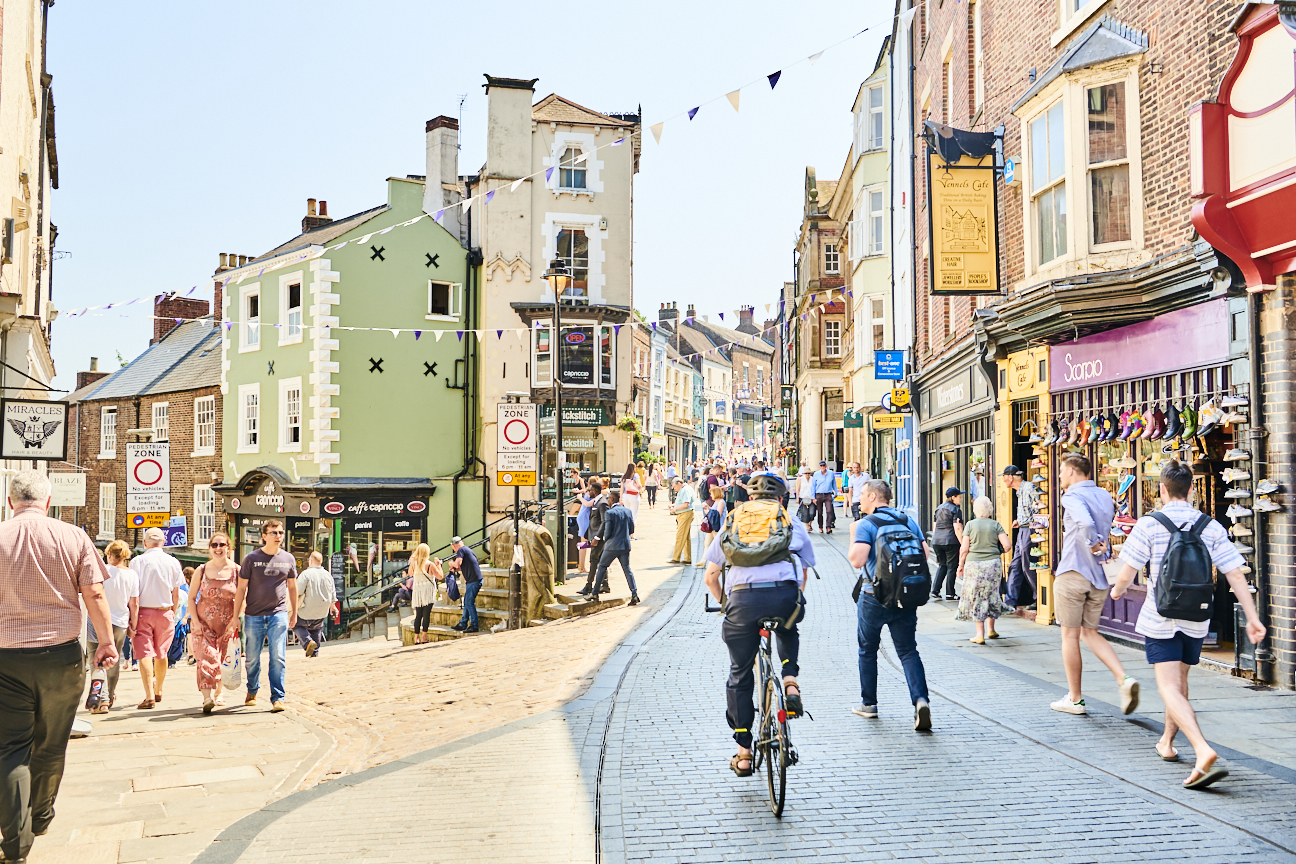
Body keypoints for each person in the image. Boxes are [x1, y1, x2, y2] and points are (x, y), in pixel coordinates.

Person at [1109, 460, 1265, 790]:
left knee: (1167, 687)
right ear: (1192, 489)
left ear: (1162, 490)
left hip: (1160, 617)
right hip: (1197, 618)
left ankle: (1202, 749)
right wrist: (1252, 618)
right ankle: (1166, 741)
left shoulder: (1150, 524)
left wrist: (1117, 591)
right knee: (1180, 682)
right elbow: (1235, 574)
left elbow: (1126, 575)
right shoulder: (1210, 526)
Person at [0, 471, 116, 864]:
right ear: (48, 501)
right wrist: (107, 642)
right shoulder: (72, 536)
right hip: (61, 656)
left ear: (10, 499)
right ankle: (42, 814)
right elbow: (95, 592)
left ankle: (15, 844)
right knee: (51, 743)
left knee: (11, 748)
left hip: (6, 659)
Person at [702, 474, 813, 777]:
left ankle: (744, 752)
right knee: (789, 627)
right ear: (781, 500)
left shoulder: (733, 520)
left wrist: (729, 605)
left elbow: (710, 577)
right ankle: (790, 680)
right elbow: (802, 574)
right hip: (783, 596)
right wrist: (793, 598)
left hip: (742, 602)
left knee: (739, 674)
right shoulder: (790, 521)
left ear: (750, 499)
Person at [1051, 452, 1139, 717]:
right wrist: (1102, 546)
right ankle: (1123, 679)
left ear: (1072, 472)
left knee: (1069, 635)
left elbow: (1087, 523)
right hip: (1100, 577)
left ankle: (1075, 699)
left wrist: (1092, 543)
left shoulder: (1071, 497)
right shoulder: (1103, 494)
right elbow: (1107, 526)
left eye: (1062, 470)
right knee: (1089, 633)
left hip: (1074, 571)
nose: (1059, 475)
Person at [849, 479, 933, 731]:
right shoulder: (908, 521)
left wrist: (854, 534)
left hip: (873, 596)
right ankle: (920, 701)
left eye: (862, 495)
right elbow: (925, 555)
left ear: (874, 497)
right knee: (908, 651)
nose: (859, 499)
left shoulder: (866, 524)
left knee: (867, 649)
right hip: (905, 595)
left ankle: (869, 704)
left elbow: (856, 560)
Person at [234, 519, 299, 712]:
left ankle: (278, 698)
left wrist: (294, 612)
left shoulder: (288, 559)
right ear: (264, 536)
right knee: (252, 658)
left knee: (278, 656)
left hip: (278, 614)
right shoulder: (251, 559)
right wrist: (236, 616)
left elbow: (292, 587)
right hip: (253, 615)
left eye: (280, 532)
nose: (278, 536)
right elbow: (241, 589)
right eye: (274, 533)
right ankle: (252, 689)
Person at [130, 526, 186, 709]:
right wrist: (173, 612)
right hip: (165, 611)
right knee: (161, 653)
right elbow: (176, 592)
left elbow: (134, 594)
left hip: (143, 611)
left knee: (144, 654)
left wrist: (132, 616)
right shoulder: (173, 562)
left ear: (145, 543)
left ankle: (149, 696)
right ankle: (159, 689)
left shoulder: (137, 561)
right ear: (163, 543)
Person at [189, 531, 240, 714]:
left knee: (223, 660)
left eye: (222, 545)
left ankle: (219, 693)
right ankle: (206, 698)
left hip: (227, 624)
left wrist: (236, 619)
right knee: (206, 659)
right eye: (214, 545)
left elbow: (243, 598)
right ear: (210, 549)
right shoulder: (201, 571)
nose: (218, 548)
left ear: (229, 547)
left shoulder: (237, 571)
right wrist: (195, 621)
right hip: (204, 624)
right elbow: (191, 598)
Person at [86, 540, 138, 713]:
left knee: (96, 660)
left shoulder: (102, 570)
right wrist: (133, 626)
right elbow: (134, 603)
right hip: (121, 622)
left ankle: (101, 699)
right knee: (113, 661)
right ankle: (109, 696)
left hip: (97, 621)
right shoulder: (132, 575)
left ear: (108, 554)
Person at [955, 497, 1014, 644]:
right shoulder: (995, 525)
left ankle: (979, 635)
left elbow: (964, 549)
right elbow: (1007, 545)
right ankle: (991, 630)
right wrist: (995, 551)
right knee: (992, 594)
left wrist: (960, 565)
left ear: (975, 510)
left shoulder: (970, 525)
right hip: (993, 564)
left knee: (977, 596)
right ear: (990, 509)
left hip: (974, 564)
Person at [1001, 465, 1040, 610]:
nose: (1004, 480)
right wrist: (1020, 520)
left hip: (1030, 530)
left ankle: (1039, 598)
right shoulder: (1019, 492)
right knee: (1015, 565)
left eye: (1004, 476)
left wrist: (1029, 523)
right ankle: (1010, 601)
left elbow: (1039, 508)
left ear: (1010, 477)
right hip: (1023, 530)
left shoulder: (1029, 488)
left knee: (1027, 564)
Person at [592, 491, 639, 605]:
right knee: (627, 569)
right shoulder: (627, 511)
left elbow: (607, 531)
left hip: (612, 545)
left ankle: (594, 593)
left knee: (602, 566)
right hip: (625, 544)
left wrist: (607, 540)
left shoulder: (610, 513)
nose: (607, 500)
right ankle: (634, 594)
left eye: (608, 499)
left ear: (612, 499)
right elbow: (631, 529)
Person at [295, 550, 341, 652]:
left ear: (310, 561)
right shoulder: (328, 575)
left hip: (306, 611)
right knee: (316, 628)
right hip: (322, 612)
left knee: (296, 624)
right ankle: (314, 651)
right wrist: (333, 607)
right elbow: (333, 592)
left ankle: (308, 643)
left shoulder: (306, 574)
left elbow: (298, 591)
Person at [931, 488, 965, 601]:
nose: (961, 499)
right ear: (953, 497)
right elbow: (958, 528)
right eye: (959, 496)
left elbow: (934, 527)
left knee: (942, 565)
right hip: (950, 541)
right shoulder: (956, 509)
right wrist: (963, 543)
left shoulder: (938, 508)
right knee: (951, 567)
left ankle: (935, 590)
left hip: (937, 541)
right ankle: (950, 593)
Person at [578, 480, 609, 596]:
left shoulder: (602, 503)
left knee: (593, 561)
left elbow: (604, 521)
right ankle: (605, 585)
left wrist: (597, 537)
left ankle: (589, 585)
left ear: (595, 491)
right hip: (593, 536)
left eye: (590, 490)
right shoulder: (596, 502)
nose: (588, 492)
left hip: (598, 538)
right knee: (601, 561)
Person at [405, 545, 439, 644]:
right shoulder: (430, 564)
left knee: (418, 615)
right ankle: (424, 637)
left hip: (417, 591)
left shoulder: (414, 563)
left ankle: (416, 638)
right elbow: (440, 576)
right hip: (428, 591)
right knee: (426, 614)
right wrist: (438, 565)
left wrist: (412, 561)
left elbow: (410, 574)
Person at [449, 537, 483, 633]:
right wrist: (455, 569)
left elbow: (457, 563)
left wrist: (451, 563)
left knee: (469, 603)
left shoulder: (461, 549)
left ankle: (474, 625)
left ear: (454, 546)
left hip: (474, 581)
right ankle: (463, 623)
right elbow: (462, 566)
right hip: (474, 580)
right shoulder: (466, 550)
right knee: (467, 602)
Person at [669, 478, 695, 564]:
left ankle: (676, 557)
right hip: (685, 513)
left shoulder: (684, 490)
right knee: (685, 536)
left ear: (679, 483)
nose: (674, 488)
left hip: (685, 514)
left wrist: (675, 509)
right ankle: (687, 558)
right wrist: (674, 505)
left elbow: (686, 504)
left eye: (675, 486)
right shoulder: (685, 489)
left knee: (680, 535)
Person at [811, 460, 837, 534]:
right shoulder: (816, 474)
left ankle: (828, 527)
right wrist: (813, 497)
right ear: (819, 467)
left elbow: (834, 483)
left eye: (823, 465)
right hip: (818, 494)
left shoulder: (831, 473)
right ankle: (820, 527)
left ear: (826, 466)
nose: (822, 467)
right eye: (821, 466)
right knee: (820, 512)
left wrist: (836, 492)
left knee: (829, 511)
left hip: (828, 494)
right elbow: (813, 486)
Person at [576, 482, 595, 574]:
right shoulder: (591, 494)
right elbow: (588, 504)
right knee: (583, 543)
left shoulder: (589, 492)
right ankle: (582, 566)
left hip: (583, 517)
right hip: (585, 518)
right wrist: (580, 498)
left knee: (584, 542)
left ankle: (582, 565)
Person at [621, 463, 642, 539]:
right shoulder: (635, 475)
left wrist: (621, 499)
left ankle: (627, 533)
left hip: (625, 496)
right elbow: (639, 484)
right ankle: (632, 534)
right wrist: (641, 488)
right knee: (634, 515)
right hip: (633, 496)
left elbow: (621, 489)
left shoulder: (624, 476)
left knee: (627, 515)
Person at [795, 466, 816, 532]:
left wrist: (815, 498)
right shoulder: (800, 479)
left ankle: (810, 524)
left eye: (808, 473)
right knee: (805, 513)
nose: (807, 475)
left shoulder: (813, 479)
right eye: (806, 473)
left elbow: (815, 488)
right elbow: (797, 489)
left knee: (812, 513)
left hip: (811, 497)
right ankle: (807, 527)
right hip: (803, 497)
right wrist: (797, 498)